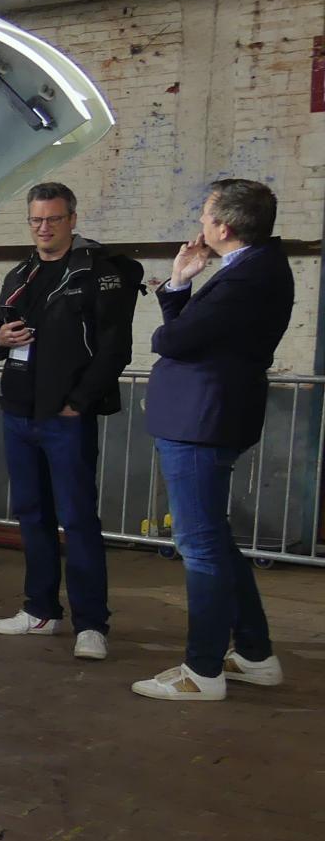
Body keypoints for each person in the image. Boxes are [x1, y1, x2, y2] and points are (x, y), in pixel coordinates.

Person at [132, 179, 293, 701]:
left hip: (202, 423)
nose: (200, 225)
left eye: (205, 216)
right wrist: (181, 283)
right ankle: (254, 653)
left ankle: (202, 672)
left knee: (199, 548)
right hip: (208, 417)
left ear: (223, 227)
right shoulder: (254, 267)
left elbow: (172, 339)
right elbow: (189, 337)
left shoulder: (247, 280)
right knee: (215, 541)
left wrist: (176, 292)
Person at [0, 184, 138, 660]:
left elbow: (115, 347)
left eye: (53, 219)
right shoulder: (20, 274)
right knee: (32, 515)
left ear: (72, 218)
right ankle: (40, 611)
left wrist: (79, 402)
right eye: (36, 221)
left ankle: (92, 625)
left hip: (65, 417)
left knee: (78, 519)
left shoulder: (97, 274)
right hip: (18, 411)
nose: (44, 228)